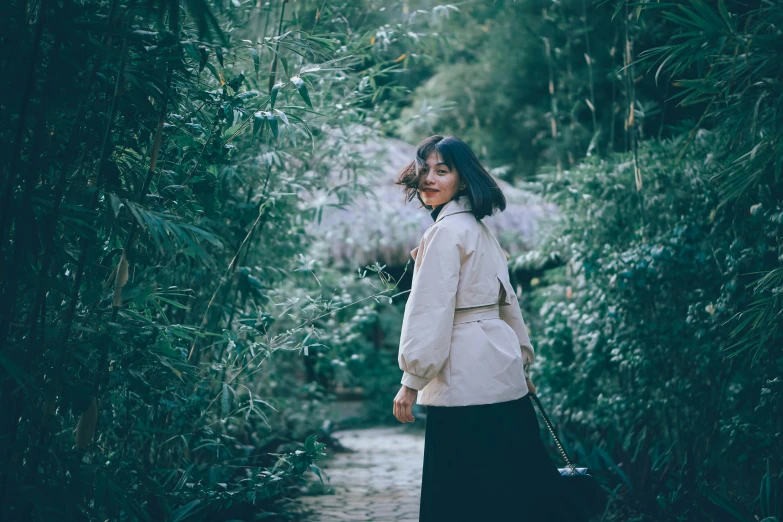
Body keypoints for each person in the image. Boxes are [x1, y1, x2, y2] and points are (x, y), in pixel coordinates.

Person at [392, 135, 565, 521]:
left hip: (464, 382)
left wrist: (410, 380)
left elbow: (431, 309)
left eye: (442, 170)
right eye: (424, 170)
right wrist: (522, 363)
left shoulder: (445, 232)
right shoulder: (481, 232)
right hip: (501, 373)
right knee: (513, 491)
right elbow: (510, 304)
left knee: (461, 495)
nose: (428, 179)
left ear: (463, 179)